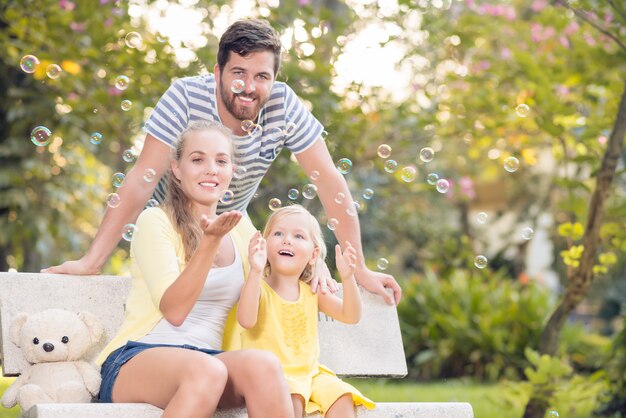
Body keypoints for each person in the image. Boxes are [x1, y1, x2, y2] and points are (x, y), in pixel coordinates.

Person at [43, 18, 401, 305]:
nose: (249, 86)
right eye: (238, 73)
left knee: (272, 284)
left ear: (274, 79)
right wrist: (92, 261)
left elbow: (329, 181)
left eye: (261, 76)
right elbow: (142, 177)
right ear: (218, 73)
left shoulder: (283, 104)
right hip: (172, 216)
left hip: (231, 222)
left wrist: (361, 269)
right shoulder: (185, 95)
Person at [95, 121, 293, 418]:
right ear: (176, 169)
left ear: (231, 170)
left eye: (221, 161)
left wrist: (317, 270)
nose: (211, 169)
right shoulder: (156, 221)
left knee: (264, 365)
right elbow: (174, 311)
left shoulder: (240, 230)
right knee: (208, 370)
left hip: (208, 360)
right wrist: (209, 243)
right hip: (137, 358)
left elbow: (277, 274)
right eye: (198, 159)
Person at [237, 205, 375, 417]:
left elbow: (351, 315)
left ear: (314, 255)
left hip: (311, 374)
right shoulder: (258, 287)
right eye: (278, 233)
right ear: (264, 246)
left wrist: (348, 278)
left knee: (342, 398)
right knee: (292, 400)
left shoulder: (312, 291)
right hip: (272, 378)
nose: (287, 240)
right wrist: (255, 270)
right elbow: (246, 320)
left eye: (298, 236)